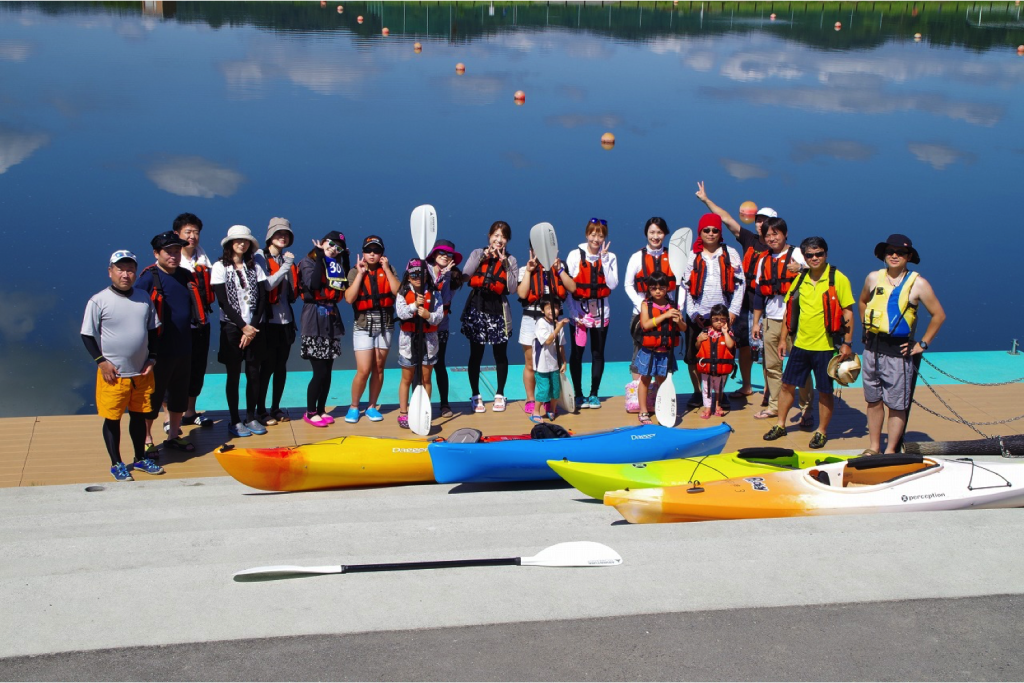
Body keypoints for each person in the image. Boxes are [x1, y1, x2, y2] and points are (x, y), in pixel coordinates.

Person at [695, 182, 787, 403]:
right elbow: (726, 219)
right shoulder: (749, 239)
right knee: (743, 344)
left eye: (764, 221)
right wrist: (706, 200)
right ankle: (747, 386)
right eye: (757, 220)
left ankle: (768, 389)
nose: (759, 224)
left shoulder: (779, 247)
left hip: (767, 301)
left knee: (768, 347)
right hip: (745, 299)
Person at [763, 237, 855, 449]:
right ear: (804, 257)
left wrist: (847, 343)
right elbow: (790, 309)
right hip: (800, 345)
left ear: (826, 254)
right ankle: (780, 425)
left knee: (824, 390)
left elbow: (848, 311)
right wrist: (784, 339)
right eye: (810, 255)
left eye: (819, 254)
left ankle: (821, 432)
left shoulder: (838, 279)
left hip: (825, 347)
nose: (815, 258)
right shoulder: (801, 278)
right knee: (787, 386)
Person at [858, 234, 945, 454]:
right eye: (890, 252)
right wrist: (865, 327)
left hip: (899, 353)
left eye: (900, 253)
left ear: (908, 257)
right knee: (873, 400)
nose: (894, 256)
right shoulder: (872, 278)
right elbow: (862, 301)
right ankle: (874, 447)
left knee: (896, 405)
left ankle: (890, 452)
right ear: (884, 255)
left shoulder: (918, 284)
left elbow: (938, 315)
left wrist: (922, 345)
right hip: (871, 350)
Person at [82, 250, 163, 481]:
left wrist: (153, 358)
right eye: (120, 269)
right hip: (113, 375)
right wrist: (101, 362)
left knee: (139, 417)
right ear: (110, 272)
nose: (125, 274)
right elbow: (87, 336)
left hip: (141, 372)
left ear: (135, 273)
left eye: (130, 270)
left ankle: (139, 458)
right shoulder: (99, 301)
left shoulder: (143, 297)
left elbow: (153, 330)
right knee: (113, 418)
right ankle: (116, 463)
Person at [137, 231, 196, 454]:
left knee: (179, 394)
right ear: (156, 253)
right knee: (153, 396)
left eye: (176, 251)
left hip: (184, 347)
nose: (173, 255)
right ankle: (147, 438)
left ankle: (174, 435)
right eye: (168, 251)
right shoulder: (148, 278)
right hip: (159, 351)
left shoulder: (185, 275)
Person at [680, 213, 745, 411]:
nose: (710, 233)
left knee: (722, 356)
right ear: (700, 232)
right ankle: (699, 392)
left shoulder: (730, 253)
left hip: (721, 317)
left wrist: (733, 311)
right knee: (695, 356)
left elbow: (740, 284)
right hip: (698, 316)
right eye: (706, 230)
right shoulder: (692, 256)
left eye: (715, 230)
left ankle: (720, 393)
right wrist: (691, 313)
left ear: (720, 232)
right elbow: (686, 286)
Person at [751, 217, 812, 423]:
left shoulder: (798, 254)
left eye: (775, 233)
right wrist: (756, 322)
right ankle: (775, 406)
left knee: (801, 365)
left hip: (797, 320)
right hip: (772, 319)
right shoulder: (763, 260)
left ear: (785, 234)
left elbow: (817, 275)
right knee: (772, 366)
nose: (771, 238)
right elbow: (760, 293)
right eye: (767, 235)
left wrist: (802, 269)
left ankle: (806, 409)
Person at [211, 225, 268, 438]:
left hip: (254, 327)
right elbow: (223, 301)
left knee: (254, 373)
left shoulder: (255, 266)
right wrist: (242, 327)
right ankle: (234, 420)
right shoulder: (219, 267)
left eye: (245, 241)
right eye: (238, 240)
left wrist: (251, 327)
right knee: (233, 375)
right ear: (229, 243)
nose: (242, 243)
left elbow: (262, 297)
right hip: (232, 328)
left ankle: (251, 416)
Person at [460, 221, 520, 413]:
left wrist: (504, 263)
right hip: (477, 308)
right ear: (489, 236)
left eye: (503, 236)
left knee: (500, 354)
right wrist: (484, 256)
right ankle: (476, 394)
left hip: (498, 311)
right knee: (475, 354)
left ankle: (500, 394)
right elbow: (466, 275)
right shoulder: (477, 253)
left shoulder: (511, 260)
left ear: (507, 240)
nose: (499, 239)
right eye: (495, 235)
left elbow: (512, 288)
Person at [345, 235, 400, 424]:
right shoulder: (354, 272)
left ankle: (372, 406)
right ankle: (354, 406)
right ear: (363, 252)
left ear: (382, 254)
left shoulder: (389, 269)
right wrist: (360, 274)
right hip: (363, 325)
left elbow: (397, 292)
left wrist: (386, 269)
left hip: (385, 325)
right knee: (364, 369)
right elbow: (349, 298)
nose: (372, 254)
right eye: (369, 251)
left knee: (378, 367)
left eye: (376, 251)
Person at [565, 217, 618, 410]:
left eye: (601, 235)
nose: (596, 239)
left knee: (597, 353)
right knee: (577, 354)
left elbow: (612, 284)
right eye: (593, 234)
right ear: (587, 234)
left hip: (601, 314)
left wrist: (603, 261)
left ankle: (594, 394)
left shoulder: (610, 257)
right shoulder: (574, 255)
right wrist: (574, 313)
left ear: (605, 237)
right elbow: (569, 287)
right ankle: (578, 394)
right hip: (578, 314)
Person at [297, 231, 349, 427]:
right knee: (318, 372)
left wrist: (345, 258)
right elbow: (314, 282)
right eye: (331, 244)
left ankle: (321, 409)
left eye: (339, 247)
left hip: (331, 320)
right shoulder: (308, 262)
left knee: (328, 372)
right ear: (323, 242)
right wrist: (320, 256)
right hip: (313, 320)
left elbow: (344, 285)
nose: (334, 249)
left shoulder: (336, 264)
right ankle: (310, 412)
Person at [516, 244, 575, 416]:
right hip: (531, 319)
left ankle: (549, 399)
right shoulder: (525, 268)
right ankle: (530, 399)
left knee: (553, 361)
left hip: (553, 320)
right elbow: (522, 293)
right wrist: (528, 271)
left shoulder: (560, 267)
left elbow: (572, 288)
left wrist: (560, 270)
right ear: (532, 251)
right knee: (531, 363)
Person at [171, 212, 215, 429]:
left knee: (197, 368)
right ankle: (171, 419)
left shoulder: (204, 260)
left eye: (196, 232)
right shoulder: (170, 260)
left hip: (201, 323)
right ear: (177, 234)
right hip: (177, 327)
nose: (192, 236)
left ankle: (190, 412)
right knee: (174, 370)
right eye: (187, 232)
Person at [255, 217, 298, 426]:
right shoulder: (259, 258)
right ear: (270, 236)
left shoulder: (285, 259)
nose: (283, 237)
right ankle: (261, 410)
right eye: (279, 234)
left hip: (286, 321)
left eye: (286, 234)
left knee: (281, 367)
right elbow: (268, 286)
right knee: (267, 366)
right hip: (268, 322)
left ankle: (276, 408)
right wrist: (287, 266)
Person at [624, 217, 678, 381]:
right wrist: (641, 305)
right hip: (642, 313)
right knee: (639, 352)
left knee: (664, 351)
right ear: (646, 233)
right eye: (652, 232)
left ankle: (659, 393)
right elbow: (628, 284)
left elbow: (682, 283)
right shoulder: (636, 257)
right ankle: (636, 392)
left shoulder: (674, 257)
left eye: (659, 232)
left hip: (666, 313)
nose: (656, 236)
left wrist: (677, 307)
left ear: (665, 233)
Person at [395, 259, 445, 428]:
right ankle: (403, 412)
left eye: (420, 274)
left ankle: (424, 411)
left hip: (428, 342)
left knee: (425, 378)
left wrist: (427, 316)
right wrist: (414, 306)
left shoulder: (435, 293)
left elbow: (439, 316)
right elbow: (401, 313)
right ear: (408, 276)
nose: (417, 277)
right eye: (413, 274)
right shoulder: (402, 292)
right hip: (408, 342)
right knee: (407, 378)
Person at [635, 271, 686, 425]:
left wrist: (678, 321)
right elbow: (646, 325)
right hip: (649, 352)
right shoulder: (646, 305)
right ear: (649, 290)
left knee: (662, 381)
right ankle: (643, 410)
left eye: (661, 288)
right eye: (653, 288)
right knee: (645, 380)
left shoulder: (673, 306)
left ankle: (663, 408)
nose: (657, 291)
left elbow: (683, 328)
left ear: (667, 289)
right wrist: (665, 316)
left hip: (665, 352)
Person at [426, 239, 463, 418]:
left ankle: (444, 404)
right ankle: (420, 404)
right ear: (433, 255)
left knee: (439, 364)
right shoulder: (423, 271)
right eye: (441, 253)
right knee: (420, 366)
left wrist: (445, 276)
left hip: (441, 326)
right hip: (422, 326)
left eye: (448, 254)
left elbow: (444, 298)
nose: (444, 256)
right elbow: (426, 294)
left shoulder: (452, 276)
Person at [694, 304, 736, 419]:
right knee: (706, 388)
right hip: (706, 368)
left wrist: (726, 332)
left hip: (720, 368)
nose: (719, 322)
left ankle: (718, 405)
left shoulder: (728, 333)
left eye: (722, 319)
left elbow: (730, 345)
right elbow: (697, 346)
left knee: (719, 388)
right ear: (711, 319)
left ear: (727, 320)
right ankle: (707, 407)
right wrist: (700, 340)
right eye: (716, 319)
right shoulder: (705, 332)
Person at [530, 298, 567, 424]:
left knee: (555, 390)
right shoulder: (540, 323)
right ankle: (535, 411)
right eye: (549, 308)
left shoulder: (559, 324)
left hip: (555, 364)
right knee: (544, 389)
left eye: (555, 307)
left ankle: (552, 409)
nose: (552, 311)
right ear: (542, 310)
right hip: (541, 365)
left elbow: (561, 345)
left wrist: (564, 362)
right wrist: (558, 327)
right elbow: (548, 341)